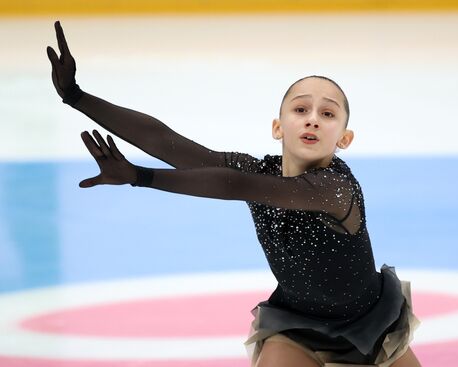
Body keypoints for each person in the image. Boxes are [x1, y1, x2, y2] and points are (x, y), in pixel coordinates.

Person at [47, 20, 421, 367]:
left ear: (344, 138)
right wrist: (77, 97)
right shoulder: (259, 169)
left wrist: (141, 175)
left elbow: (236, 185)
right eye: (301, 108)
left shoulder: (335, 190)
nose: (312, 118)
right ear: (278, 127)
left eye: (328, 114)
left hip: (371, 330)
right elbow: (169, 144)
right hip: (296, 327)